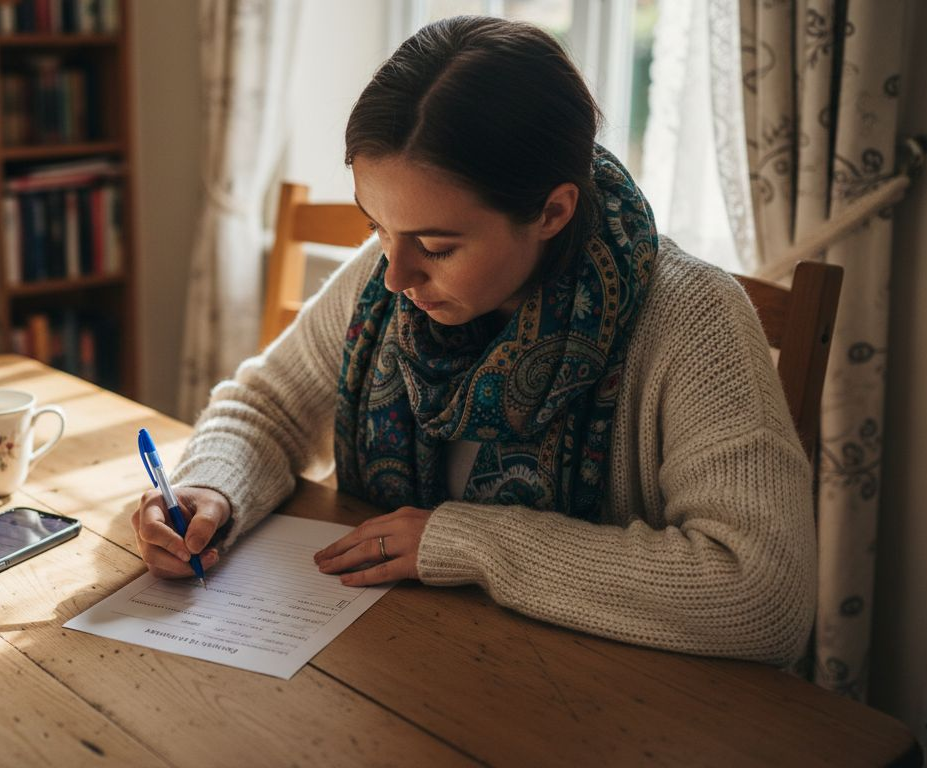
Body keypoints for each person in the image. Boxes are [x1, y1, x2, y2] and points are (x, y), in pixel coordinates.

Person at [133, 15, 815, 665]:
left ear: (552, 212)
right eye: (376, 227)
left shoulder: (693, 319)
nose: (395, 275)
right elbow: (267, 408)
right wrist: (211, 489)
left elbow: (762, 592)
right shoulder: (384, 280)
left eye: (436, 245)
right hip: (401, 665)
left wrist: (466, 542)